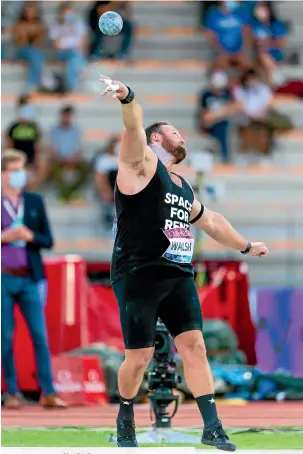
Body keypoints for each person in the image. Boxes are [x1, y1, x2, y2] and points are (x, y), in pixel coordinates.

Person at [99, 75, 269, 449]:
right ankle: (125, 413)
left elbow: (210, 221)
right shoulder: (139, 164)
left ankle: (212, 427)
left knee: (195, 347)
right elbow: (132, 126)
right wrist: (129, 97)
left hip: (177, 272)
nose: (184, 138)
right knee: (139, 357)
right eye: (176, 132)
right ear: (156, 139)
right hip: (138, 271)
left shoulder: (182, 185)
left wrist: (244, 246)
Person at [1, 149, 68, 410]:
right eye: (15, 170)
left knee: (40, 335)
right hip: (3, 278)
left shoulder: (34, 201)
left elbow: (48, 240)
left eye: (22, 170)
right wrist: (4, 237)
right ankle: (12, 391)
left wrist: (30, 237)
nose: (20, 175)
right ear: (3, 174)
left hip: (30, 277)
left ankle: (49, 391)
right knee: (5, 337)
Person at [5, 94, 48, 190]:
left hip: (30, 159)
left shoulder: (34, 127)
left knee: (44, 168)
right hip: (17, 160)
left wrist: (35, 161)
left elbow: (37, 147)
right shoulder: (14, 127)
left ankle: (29, 189)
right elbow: (9, 148)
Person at [232, 68, 274, 164]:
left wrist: (259, 115)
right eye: (250, 78)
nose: (252, 80)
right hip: (245, 118)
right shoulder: (239, 90)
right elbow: (239, 106)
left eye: (254, 78)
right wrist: (252, 116)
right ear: (246, 79)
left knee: (263, 129)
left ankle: (264, 154)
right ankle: (244, 152)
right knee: (248, 126)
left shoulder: (264, 89)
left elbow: (269, 105)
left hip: (261, 118)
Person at [49, 105, 90, 202]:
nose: (67, 119)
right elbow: (52, 148)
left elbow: (79, 148)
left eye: (69, 116)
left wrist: (73, 158)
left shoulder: (76, 130)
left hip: (73, 159)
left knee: (87, 168)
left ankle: (68, 193)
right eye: (65, 116)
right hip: (59, 159)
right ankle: (68, 194)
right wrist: (62, 158)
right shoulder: (54, 130)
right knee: (54, 167)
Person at [198, 70, 237, 163]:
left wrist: (216, 115)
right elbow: (204, 114)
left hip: (223, 120)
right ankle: (223, 155)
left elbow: (233, 108)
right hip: (211, 122)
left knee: (222, 126)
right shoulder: (206, 95)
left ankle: (223, 154)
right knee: (219, 126)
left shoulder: (228, 94)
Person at [49, 2, 87, 92]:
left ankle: (70, 84)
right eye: (65, 12)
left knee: (74, 58)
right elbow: (56, 45)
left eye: (70, 12)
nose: (68, 14)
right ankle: (78, 73)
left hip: (75, 52)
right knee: (75, 56)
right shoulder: (56, 25)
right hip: (63, 53)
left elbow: (82, 42)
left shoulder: (79, 23)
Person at [204, 0, 251, 71]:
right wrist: (222, 53)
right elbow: (211, 36)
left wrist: (243, 52)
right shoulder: (212, 14)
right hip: (221, 53)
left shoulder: (242, 13)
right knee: (220, 68)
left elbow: (247, 34)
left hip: (240, 52)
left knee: (247, 66)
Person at [11, 1, 46, 92]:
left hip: (34, 52)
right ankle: (34, 83)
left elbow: (39, 43)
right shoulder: (19, 24)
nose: (30, 13)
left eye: (32, 11)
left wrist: (30, 32)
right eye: (28, 11)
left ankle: (32, 83)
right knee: (35, 55)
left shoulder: (40, 25)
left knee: (36, 55)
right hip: (22, 51)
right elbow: (21, 42)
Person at [250, 1, 287, 81]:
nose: (260, 11)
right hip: (256, 57)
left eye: (263, 8)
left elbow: (282, 42)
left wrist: (266, 43)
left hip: (275, 56)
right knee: (261, 54)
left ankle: (273, 73)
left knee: (263, 54)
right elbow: (251, 42)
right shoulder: (253, 26)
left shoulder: (277, 25)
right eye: (258, 8)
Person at [94, 134, 120, 229]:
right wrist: (106, 192)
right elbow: (99, 178)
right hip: (109, 188)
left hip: (123, 188)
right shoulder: (103, 159)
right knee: (110, 173)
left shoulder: (125, 160)